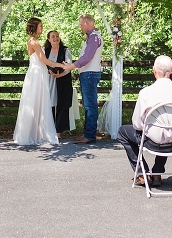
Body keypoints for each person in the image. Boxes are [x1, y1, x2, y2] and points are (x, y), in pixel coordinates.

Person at [117, 55, 172, 187]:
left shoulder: (146, 93)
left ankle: (142, 172)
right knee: (168, 131)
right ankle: (157, 173)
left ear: (154, 70)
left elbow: (137, 124)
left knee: (123, 132)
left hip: (153, 142)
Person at [13, 18, 64, 146]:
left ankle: (36, 132)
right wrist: (61, 65)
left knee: (39, 103)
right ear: (35, 27)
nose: (42, 28)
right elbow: (44, 61)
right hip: (36, 75)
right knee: (34, 102)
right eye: (40, 26)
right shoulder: (34, 42)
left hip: (39, 74)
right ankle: (31, 133)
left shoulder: (34, 41)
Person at [62, 14, 104, 145]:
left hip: (90, 74)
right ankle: (87, 134)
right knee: (88, 105)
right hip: (88, 74)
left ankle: (89, 135)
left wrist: (71, 67)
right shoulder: (93, 37)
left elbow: (87, 58)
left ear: (86, 23)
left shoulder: (94, 37)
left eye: (81, 24)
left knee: (90, 105)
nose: (80, 27)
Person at [44, 30, 74, 136]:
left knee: (62, 105)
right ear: (48, 39)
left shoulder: (65, 50)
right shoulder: (45, 51)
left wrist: (59, 75)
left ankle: (58, 132)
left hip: (63, 80)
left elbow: (69, 66)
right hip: (48, 80)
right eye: (53, 36)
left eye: (57, 36)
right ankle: (49, 129)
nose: (55, 38)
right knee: (49, 104)